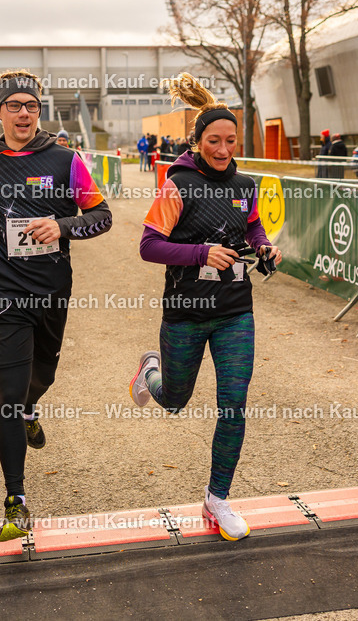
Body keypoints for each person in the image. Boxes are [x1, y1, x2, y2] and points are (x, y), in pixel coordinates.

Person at [0, 69, 112, 542]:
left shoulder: (67, 160)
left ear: (39, 112)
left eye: (31, 106)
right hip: (3, 292)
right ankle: (16, 499)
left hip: (51, 290)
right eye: (14, 105)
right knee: (8, 391)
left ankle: (30, 408)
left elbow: (101, 217)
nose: (23, 113)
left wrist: (62, 227)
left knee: (42, 376)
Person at [128, 72, 281, 542]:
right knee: (175, 400)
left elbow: (252, 228)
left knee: (233, 404)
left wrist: (265, 247)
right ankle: (148, 371)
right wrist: (201, 253)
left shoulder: (246, 184)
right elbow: (149, 246)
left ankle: (217, 499)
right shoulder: (178, 185)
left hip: (236, 309)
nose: (223, 149)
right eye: (214, 140)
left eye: (230, 140)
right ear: (196, 141)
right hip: (187, 310)